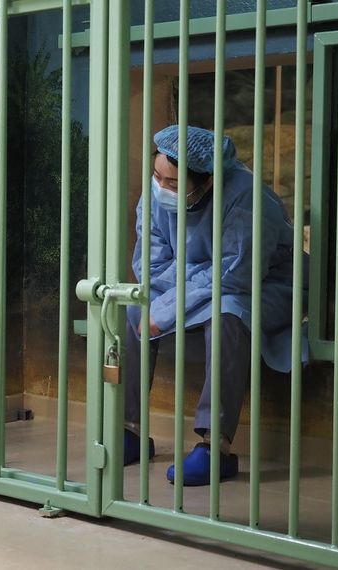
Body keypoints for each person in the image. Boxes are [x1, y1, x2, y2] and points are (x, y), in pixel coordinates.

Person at [124, 124, 306, 486]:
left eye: (173, 184)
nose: (161, 188)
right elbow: (151, 268)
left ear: (207, 182)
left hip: (266, 286)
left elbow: (235, 274)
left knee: (227, 311)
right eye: (157, 176)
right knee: (133, 309)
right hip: (205, 286)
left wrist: (173, 302)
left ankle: (214, 446)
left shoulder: (248, 199)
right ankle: (128, 430)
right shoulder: (158, 190)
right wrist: (177, 294)